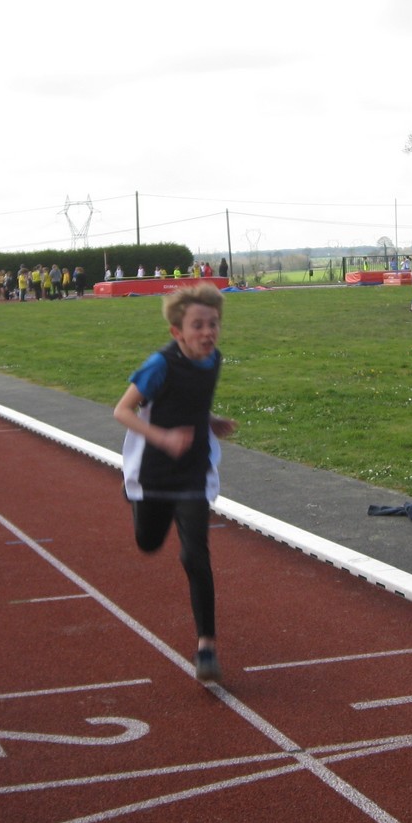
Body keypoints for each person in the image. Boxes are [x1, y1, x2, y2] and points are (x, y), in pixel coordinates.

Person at [114, 284, 238, 682]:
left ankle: (206, 647)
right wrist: (163, 438)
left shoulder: (213, 359)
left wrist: (210, 420)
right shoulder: (160, 365)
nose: (208, 332)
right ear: (177, 332)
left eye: (213, 324)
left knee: (195, 554)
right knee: (148, 542)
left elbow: (192, 402)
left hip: (193, 469)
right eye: (198, 325)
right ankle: (135, 497)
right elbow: (122, 410)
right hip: (154, 470)